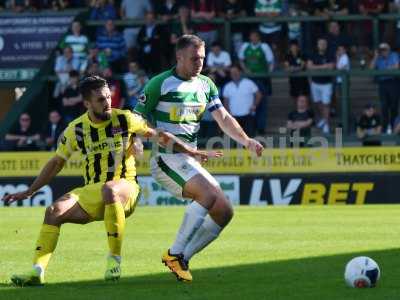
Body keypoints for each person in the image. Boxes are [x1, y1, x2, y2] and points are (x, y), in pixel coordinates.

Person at [2, 75, 220, 287]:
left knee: (110, 189)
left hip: (125, 187)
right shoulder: (76, 129)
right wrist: (30, 190)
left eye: (108, 96)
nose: (107, 102)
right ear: (87, 103)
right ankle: (37, 272)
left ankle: (114, 259)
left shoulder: (125, 118)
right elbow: (56, 163)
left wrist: (192, 150)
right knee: (53, 212)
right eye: (101, 99)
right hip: (92, 191)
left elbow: (160, 135)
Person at [133, 34, 264, 282]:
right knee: (208, 195)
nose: (199, 63)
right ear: (179, 57)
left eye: (202, 58)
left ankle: (182, 257)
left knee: (224, 211)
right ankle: (174, 253)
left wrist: (246, 140)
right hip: (166, 159)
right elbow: (135, 117)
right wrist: (138, 139)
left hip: (188, 159)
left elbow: (223, 118)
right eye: (194, 58)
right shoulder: (159, 84)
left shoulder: (206, 85)